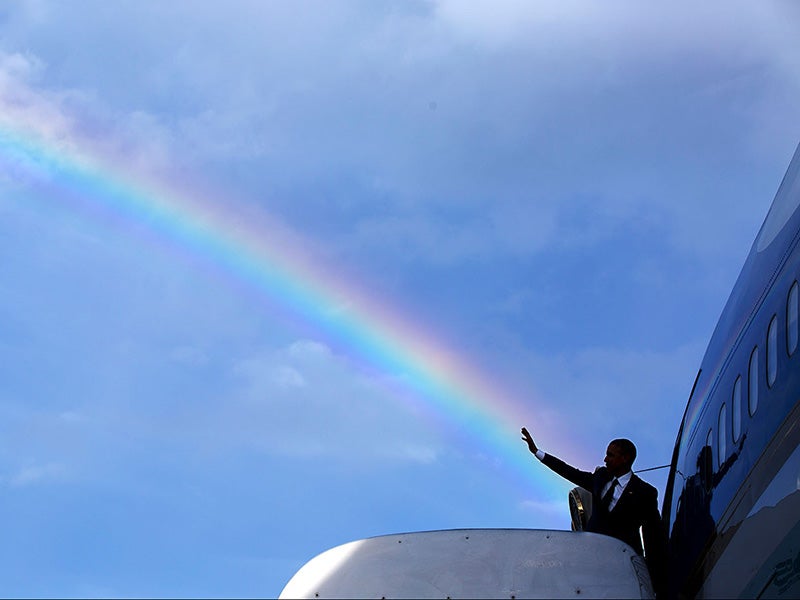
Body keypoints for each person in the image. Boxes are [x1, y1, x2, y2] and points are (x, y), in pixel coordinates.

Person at [521, 427, 666, 591]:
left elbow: (654, 540)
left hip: (622, 566)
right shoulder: (601, 477)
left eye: (610, 455)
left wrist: (657, 584)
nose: (605, 459)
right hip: (591, 561)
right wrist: (537, 452)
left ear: (625, 458)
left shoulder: (645, 493)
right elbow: (569, 472)